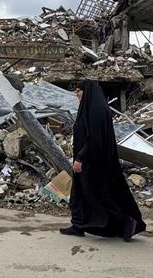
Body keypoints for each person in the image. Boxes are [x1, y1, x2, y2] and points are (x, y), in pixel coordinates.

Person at [60, 80, 147, 241]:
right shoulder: (89, 108)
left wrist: (80, 158)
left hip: (92, 162)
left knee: (97, 197)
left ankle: (127, 222)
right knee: (80, 195)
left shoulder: (96, 111)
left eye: (79, 91)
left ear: (88, 92)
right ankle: (78, 225)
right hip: (90, 160)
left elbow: (94, 139)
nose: (76, 94)